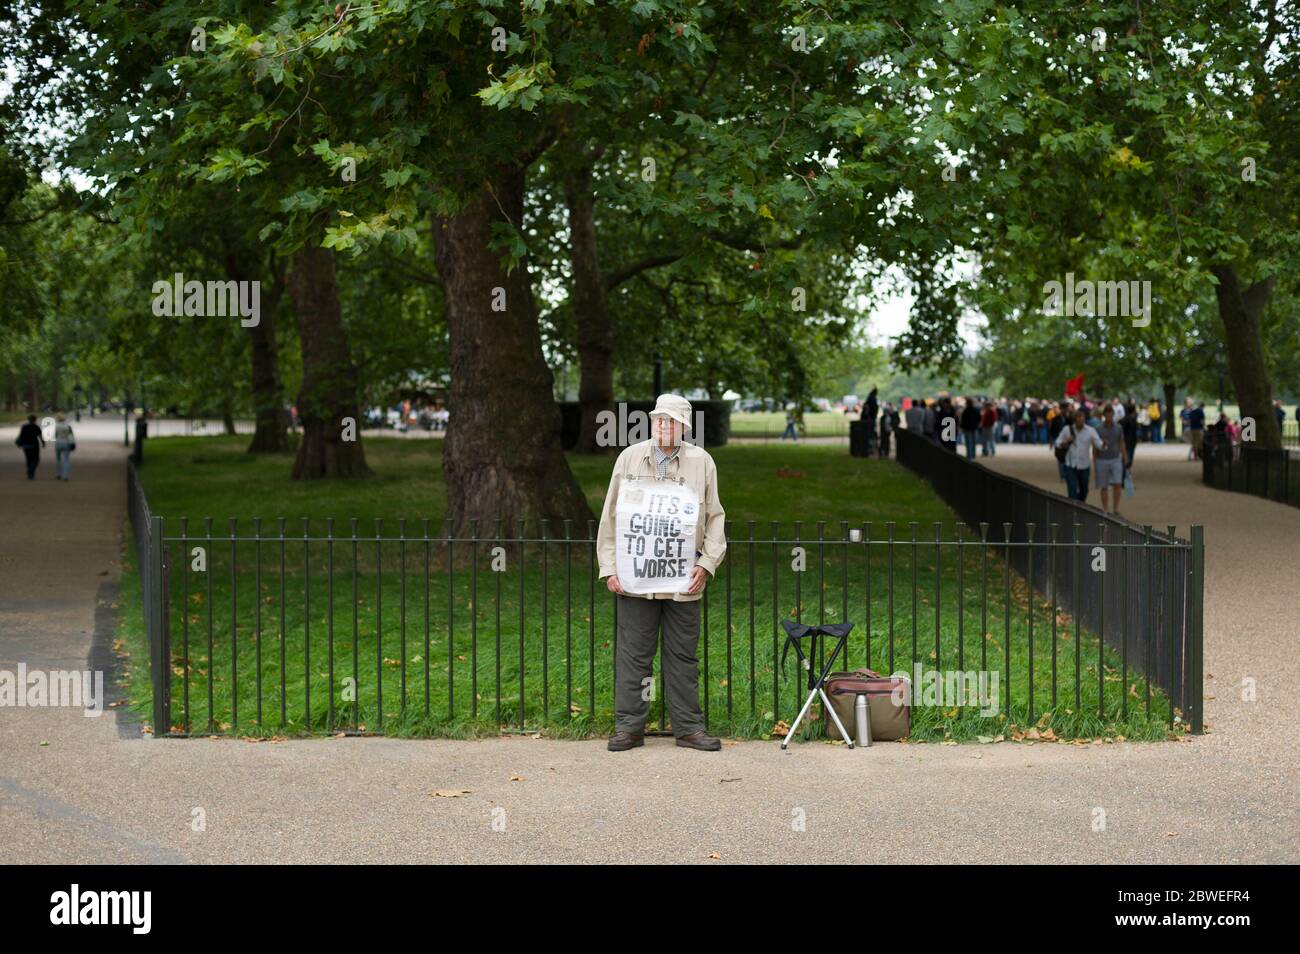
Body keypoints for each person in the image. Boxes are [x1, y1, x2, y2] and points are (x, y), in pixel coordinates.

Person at [597, 394, 727, 753]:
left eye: (671, 421)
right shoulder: (629, 458)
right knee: (634, 654)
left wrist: (706, 563)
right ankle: (629, 728)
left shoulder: (702, 462)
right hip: (636, 580)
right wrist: (609, 567)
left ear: (684, 427)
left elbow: (716, 518)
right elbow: (610, 516)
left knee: (683, 655)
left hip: (684, 579)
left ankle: (688, 728)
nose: (664, 427)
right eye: (659, 420)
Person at [1055, 408, 1103, 503]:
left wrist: (1104, 445)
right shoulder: (1067, 430)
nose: (1081, 422)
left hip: (1084, 465)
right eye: (1078, 420)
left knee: (1084, 490)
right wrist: (1065, 442)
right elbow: (1057, 442)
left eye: (1082, 420)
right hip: (1070, 464)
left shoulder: (1090, 431)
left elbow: (1099, 444)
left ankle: (1079, 505)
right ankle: (1075, 508)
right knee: (1072, 490)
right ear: (1075, 421)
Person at [1093, 404, 1128, 514]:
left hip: (1115, 459)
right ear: (1104, 415)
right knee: (1104, 486)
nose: (1109, 418)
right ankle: (1105, 509)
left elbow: (1121, 442)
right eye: (1107, 416)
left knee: (1117, 483)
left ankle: (1116, 508)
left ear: (1113, 415)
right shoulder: (1098, 429)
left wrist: (1125, 457)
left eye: (1110, 415)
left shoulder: (1118, 428)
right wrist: (1094, 461)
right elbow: (1094, 447)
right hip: (1101, 459)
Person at [14, 415, 44, 480]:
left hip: (25, 445)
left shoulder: (24, 427)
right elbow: (40, 436)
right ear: (35, 420)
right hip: (34, 445)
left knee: (28, 459)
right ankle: (31, 471)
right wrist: (43, 443)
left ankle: (30, 474)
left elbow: (21, 435)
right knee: (36, 459)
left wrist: (19, 444)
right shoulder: (36, 427)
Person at [54, 414, 75, 481]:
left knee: (58, 459)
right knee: (66, 460)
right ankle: (65, 476)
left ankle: (58, 474)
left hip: (58, 443)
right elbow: (71, 435)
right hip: (66, 443)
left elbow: (55, 436)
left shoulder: (56, 426)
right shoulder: (68, 426)